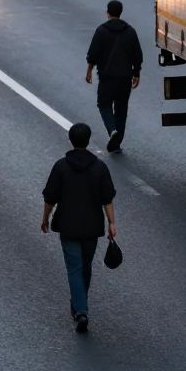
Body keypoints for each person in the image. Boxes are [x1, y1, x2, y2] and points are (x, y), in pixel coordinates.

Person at [42, 123, 117, 334]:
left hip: (68, 227)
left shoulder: (61, 167)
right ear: (89, 139)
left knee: (74, 269)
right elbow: (107, 199)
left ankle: (81, 310)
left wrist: (45, 218)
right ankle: (79, 303)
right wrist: (112, 223)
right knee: (86, 267)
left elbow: (50, 197)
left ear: (71, 140)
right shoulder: (100, 168)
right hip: (92, 228)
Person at [86, 0, 143, 153]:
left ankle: (112, 131)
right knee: (121, 108)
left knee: (104, 104)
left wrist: (89, 69)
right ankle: (117, 142)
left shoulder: (101, 30)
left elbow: (93, 53)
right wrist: (136, 73)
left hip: (107, 77)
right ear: (120, 12)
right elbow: (137, 55)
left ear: (108, 12)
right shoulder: (130, 31)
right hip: (125, 78)